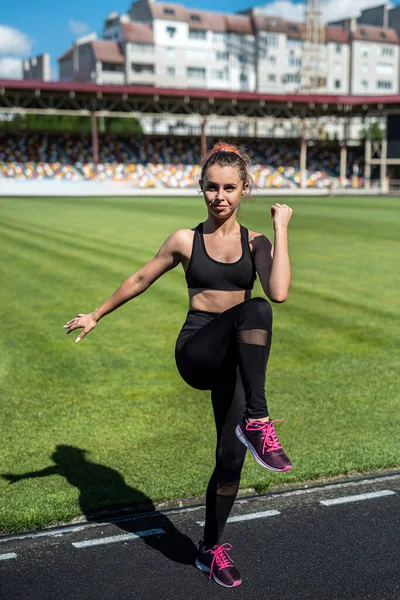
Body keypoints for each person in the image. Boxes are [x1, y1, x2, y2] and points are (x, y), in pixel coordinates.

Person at [64, 142, 293, 589]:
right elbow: (141, 278)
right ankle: (258, 419)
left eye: (229, 187)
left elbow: (280, 288)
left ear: (245, 189)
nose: (220, 196)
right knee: (258, 311)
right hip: (196, 350)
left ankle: (210, 550)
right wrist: (95, 313)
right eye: (211, 188)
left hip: (234, 364)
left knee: (230, 460)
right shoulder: (185, 240)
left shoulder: (257, 242)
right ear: (201, 189)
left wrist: (280, 229)